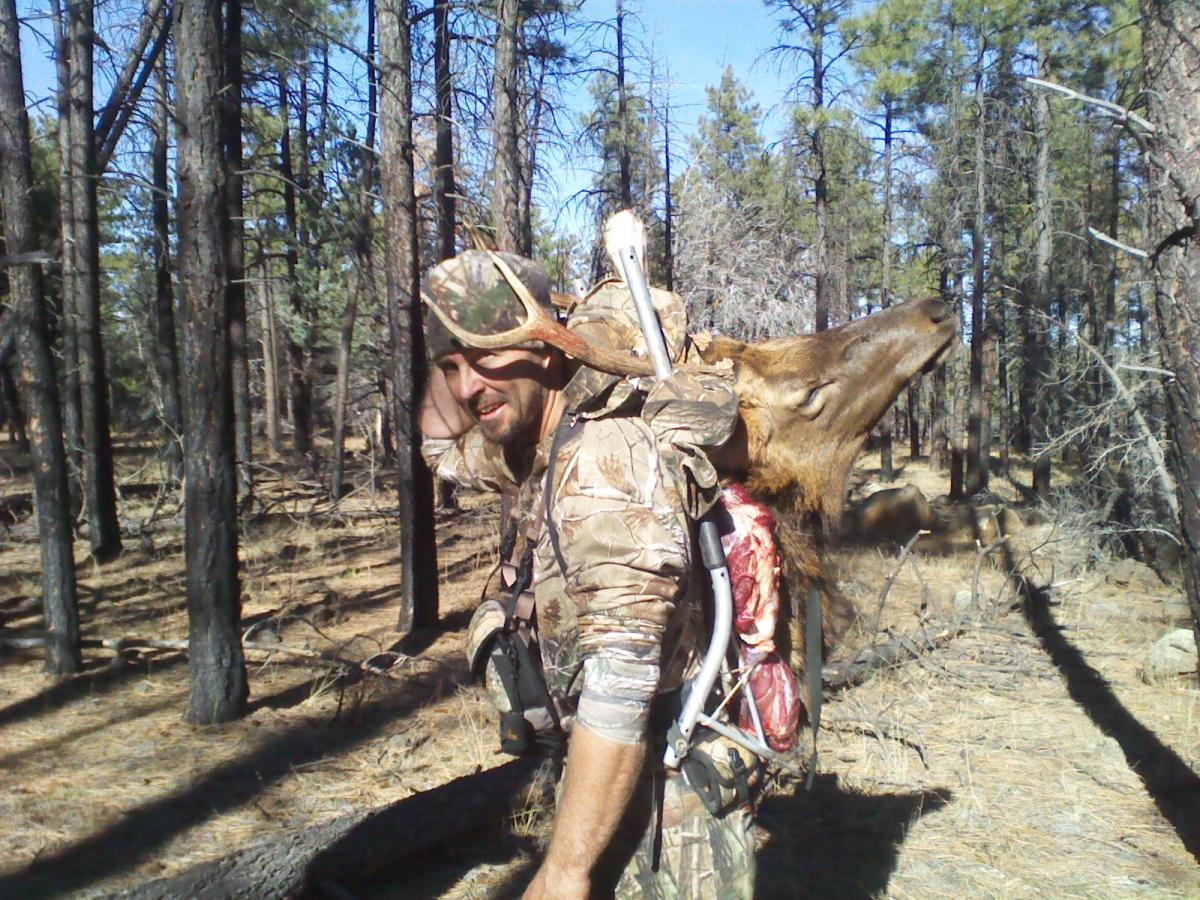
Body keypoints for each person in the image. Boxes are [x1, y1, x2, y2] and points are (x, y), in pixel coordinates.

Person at [419, 249, 756, 899]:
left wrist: (564, 871)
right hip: (607, 792)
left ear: (548, 354)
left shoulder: (600, 461)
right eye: (452, 367)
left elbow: (621, 683)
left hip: (660, 822)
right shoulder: (538, 444)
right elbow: (441, 450)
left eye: (486, 356)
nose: (465, 387)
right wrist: (450, 327)